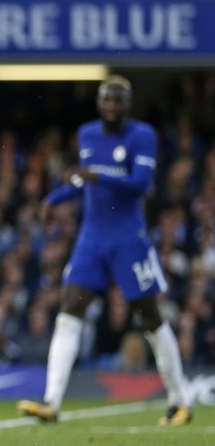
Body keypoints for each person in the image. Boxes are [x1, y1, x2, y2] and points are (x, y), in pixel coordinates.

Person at [17, 75, 192, 426]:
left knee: (149, 317)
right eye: (106, 100)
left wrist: (97, 175)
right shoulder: (87, 134)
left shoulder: (142, 136)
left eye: (118, 100)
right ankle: (51, 402)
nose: (112, 106)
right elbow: (82, 181)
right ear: (98, 103)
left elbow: (140, 184)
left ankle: (180, 402)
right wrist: (55, 199)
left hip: (129, 238)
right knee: (69, 311)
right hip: (91, 239)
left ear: (129, 104)